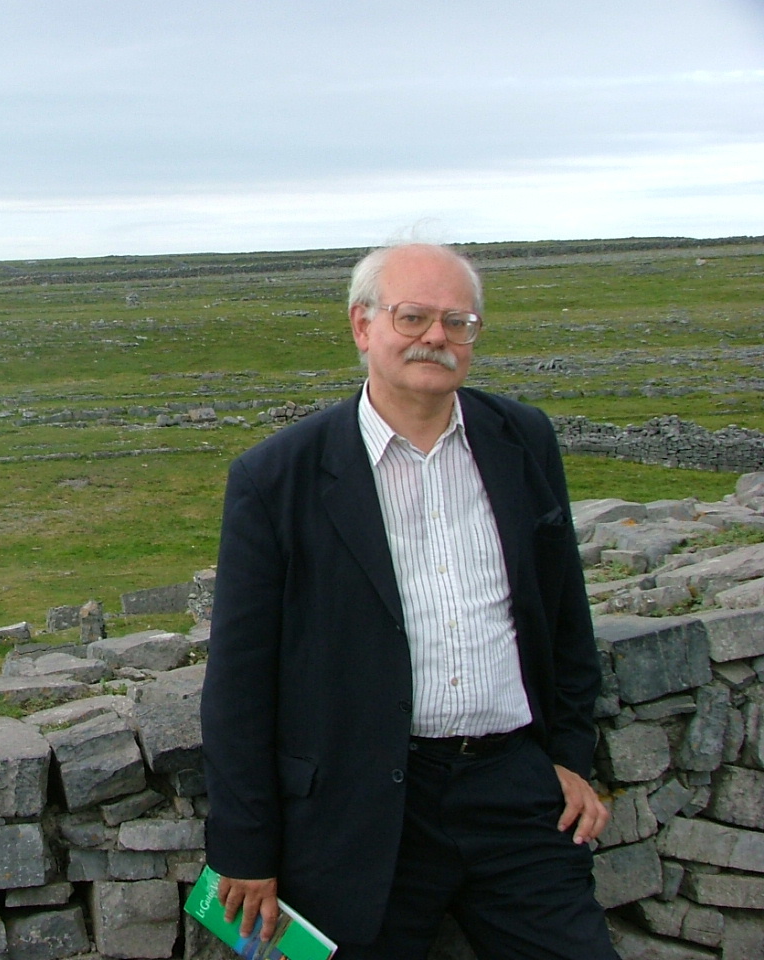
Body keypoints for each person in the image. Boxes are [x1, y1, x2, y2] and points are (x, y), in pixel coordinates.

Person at [200, 243, 617, 959]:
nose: (436, 337)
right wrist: (245, 844)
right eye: (413, 317)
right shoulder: (277, 476)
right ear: (362, 326)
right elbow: (239, 679)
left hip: (514, 790)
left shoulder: (523, 438)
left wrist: (571, 756)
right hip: (357, 807)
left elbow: (564, 616)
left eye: (458, 322)